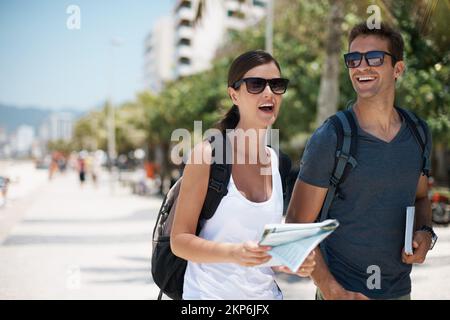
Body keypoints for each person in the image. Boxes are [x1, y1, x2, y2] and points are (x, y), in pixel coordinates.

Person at [286, 23, 436, 300]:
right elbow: (296, 228)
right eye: (353, 59)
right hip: (341, 292)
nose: (361, 67)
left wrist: (425, 234)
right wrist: (333, 291)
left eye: (375, 58)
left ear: (398, 69)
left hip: (400, 292)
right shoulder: (331, 137)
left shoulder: (418, 132)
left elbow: (420, 198)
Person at [170, 50, 316, 300]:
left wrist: (292, 261)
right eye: (256, 84)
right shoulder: (208, 156)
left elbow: (265, 252)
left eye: (276, 85)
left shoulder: (279, 163)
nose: (268, 93)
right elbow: (179, 241)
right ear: (233, 94)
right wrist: (233, 253)